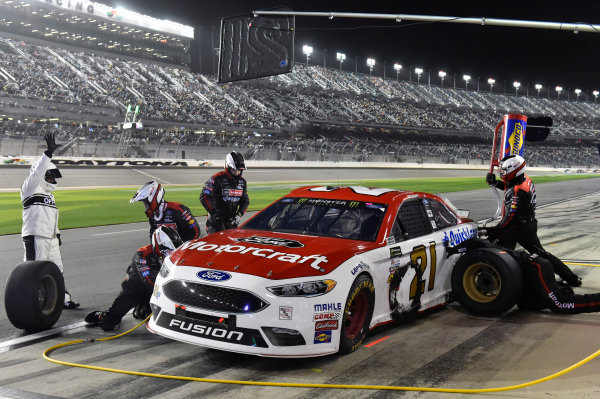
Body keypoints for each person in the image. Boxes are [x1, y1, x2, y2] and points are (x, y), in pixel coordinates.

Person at [485, 154, 581, 287]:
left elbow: (510, 218)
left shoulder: (518, 190)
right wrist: (496, 183)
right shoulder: (523, 179)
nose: (502, 173)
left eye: (504, 171)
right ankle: (571, 278)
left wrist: (493, 230)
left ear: (514, 170)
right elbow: (510, 188)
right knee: (542, 254)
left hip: (518, 228)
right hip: (527, 225)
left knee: (490, 248)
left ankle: (497, 281)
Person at [452, 237, 600, 314]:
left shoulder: (484, 246)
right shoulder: (488, 247)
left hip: (537, 267)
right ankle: (558, 290)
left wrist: (451, 250)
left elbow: (475, 243)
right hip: (533, 267)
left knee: (559, 305)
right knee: (526, 304)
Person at [21, 132, 79, 309]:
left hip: (51, 237)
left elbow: (52, 216)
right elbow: (38, 172)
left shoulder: (50, 195)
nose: (53, 180)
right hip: (36, 236)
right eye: (51, 176)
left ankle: (63, 299)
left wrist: (58, 234)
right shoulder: (30, 188)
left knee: (57, 270)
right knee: (34, 272)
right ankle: (30, 304)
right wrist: (47, 154)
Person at [84, 226, 183, 331]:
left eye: (173, 251)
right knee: (108, 324)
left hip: (160, 289)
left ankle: (142, 308)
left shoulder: (176, 253)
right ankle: (103, 315)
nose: (170, 254)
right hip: (136, 289)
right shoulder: (142, 254)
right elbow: (149, 281)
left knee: (152, 317)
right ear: (158, 246)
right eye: (167, 250)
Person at [130, 180, 200, 242]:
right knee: (142, 252)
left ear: (152, 198)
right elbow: (153, 237)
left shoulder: (178, 209)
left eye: (145, 203)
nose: (145, 206)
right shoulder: (153, 216)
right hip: (166, 251)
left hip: (184, 250)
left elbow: (196, 231)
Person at [200, 151, 249, 234]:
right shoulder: (217, 178)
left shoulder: (243, 182)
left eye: (239, 170)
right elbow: (204, 196)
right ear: (228, 167)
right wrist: (214, 214)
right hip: (215, 223)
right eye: (234, 170)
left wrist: (239, 215)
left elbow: (245, 201)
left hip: (232, 223)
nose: (237, 173)